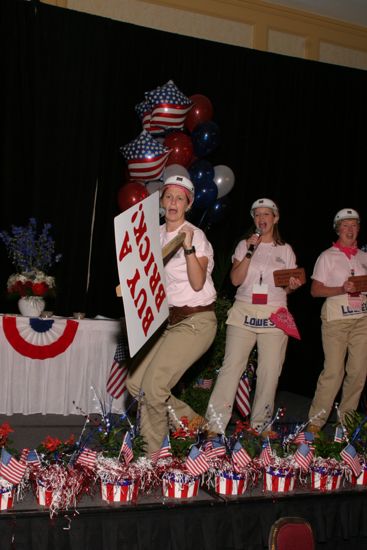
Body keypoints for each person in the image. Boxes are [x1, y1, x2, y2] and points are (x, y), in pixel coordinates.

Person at [126, 175, 217, 456]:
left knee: (154, 388)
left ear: (188, 204)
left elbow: (198, 282)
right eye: (169, 197)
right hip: (166, 321)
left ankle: (152, 457)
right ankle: (195, 422)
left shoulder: (196, 235)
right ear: (162, 202)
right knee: (135, 385)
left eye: (180, 198)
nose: (173, 202)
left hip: (196, 321)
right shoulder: (151, 237)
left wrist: (187, 247)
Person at [206, 198, 303, 435]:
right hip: (245, 310)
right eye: (257, 214)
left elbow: (288, 287)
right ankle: (214, 424)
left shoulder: (285, 250)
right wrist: (250, 251)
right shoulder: (243, 245)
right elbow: (235, 280)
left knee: (270, 371)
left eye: (266, 214)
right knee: (231, 367)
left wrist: (292, 285)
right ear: (254, 219)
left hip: (275, 313)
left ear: (275, 218)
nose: (262, 219)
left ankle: (260, 425)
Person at [308, 208, 367, 432]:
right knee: (334, 371)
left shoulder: (364, 257)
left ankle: (347, 422)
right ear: (337, 229)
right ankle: (315, 422)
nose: (350, 229)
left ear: (358, 228)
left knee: (359, 371)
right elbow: (315, 290)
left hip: (362, 318)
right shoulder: (327, 256)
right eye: (345, 225)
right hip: (336, 318)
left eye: (354, 225)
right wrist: (342, 288)